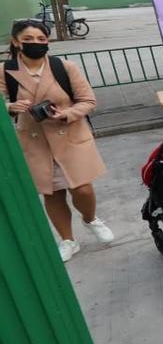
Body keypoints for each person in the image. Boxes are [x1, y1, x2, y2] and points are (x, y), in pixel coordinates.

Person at [5, 20, 113, 263]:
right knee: (52, 194)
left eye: (41, 39)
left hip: (70, 135)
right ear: (16, 42)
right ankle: (67, 240)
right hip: (35, 141)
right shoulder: (5, 71)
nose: (35, 43)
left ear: (48, 42)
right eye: (28, 39)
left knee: (82, 188)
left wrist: (68, 114)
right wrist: (10, 106)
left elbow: (88, 100)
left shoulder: (63, 67)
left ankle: (90, 219)